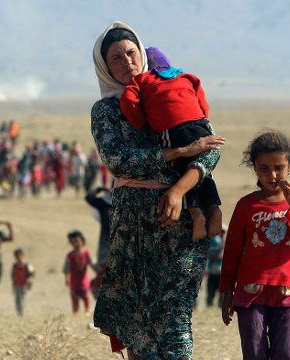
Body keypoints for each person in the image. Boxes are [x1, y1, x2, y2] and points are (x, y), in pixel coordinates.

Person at [92, 21, 225, 359]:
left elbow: (209, 147)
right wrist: (177, 153)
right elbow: (118, 161)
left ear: (142, 53)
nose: (126, 61)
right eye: (116, 58)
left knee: (175, 316)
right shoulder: (105, 111)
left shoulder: (170, 90)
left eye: (131, 53)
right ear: (105, 66)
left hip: (181, 223)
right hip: (133, 227)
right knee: (136, 321)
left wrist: (180, 189)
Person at [219, 129, 290, 360]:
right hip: (250, 293)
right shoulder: (246, 205)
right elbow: (232, 251)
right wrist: (226, 292)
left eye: (278, 168)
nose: (272, 175)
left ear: (289, 166)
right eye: (264, 168)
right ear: (255, 167)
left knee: (286, 354)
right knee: (254, 354)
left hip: (287, 292)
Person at [121, 47, 222, 241]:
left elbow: (128, 100)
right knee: (202, 168)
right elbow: (202, 100)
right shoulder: (186, 76)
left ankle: (197, 215)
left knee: (179, 168)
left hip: (172, 129)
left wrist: (141, 122)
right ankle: (214, 208)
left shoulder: (141, 80)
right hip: (199, 125)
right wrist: (201, 121)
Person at [85, 187, 113, 299]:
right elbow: (89, 197)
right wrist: (99, 189)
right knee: (102, 270)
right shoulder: (104, 203)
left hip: (124, 242)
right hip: (105, 243)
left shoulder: (127, 201)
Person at [63, 231, 95, 315]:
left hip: (84, 283)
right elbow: (66, 269)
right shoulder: (70, 256)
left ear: (82, 241)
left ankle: (87, 312)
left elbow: (93, 265)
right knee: (75, 300)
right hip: (74, 283)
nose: (76, 244)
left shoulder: (87, 254)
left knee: (86, 298)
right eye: (73, 242)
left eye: (77, 241)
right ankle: (76, 313)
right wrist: (67, 279)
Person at [205, 228, 226, 307]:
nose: (221, 234)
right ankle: (210, 306)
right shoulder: (213, 243)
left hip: (221, 273)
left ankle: (220, 306)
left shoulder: (224, 244)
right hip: (213, 272)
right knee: (211, 292)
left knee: (222, 294)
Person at [11, 249, 35, 316]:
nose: (18, 259)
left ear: (22, 256)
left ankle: (21, 312)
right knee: (17, 299)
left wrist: (29, 279)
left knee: (22, 298)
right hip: (17, 285)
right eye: (17, 257)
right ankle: (18, 311)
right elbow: (13, 275)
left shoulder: (27, 265)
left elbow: (32, 273)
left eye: (19, 257)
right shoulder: (15, 266)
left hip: (24, 285)